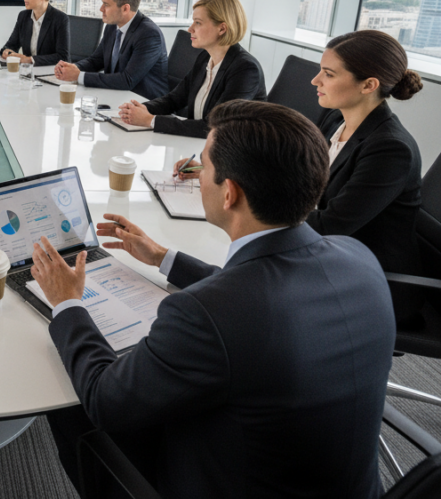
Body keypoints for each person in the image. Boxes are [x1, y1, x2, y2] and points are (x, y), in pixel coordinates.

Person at [34, 100, 393, 499]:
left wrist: (67, 303)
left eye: (203, 167)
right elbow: (257, 289)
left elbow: (105, 399)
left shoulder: (206, 314)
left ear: (230, 194)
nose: (198, 175)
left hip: (226, 481)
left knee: (69, 395)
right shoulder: (358, 258)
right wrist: (162, 258)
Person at [308, 29, 424, 322]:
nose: (315, 81)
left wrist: (252, 205)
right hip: (333, 254)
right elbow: (299, 176)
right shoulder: (337, 118)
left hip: (371, 278)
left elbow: (329, 226)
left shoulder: (390, 148)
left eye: (328, 74)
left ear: (368, 85)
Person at [117, 0, 266, 137]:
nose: (190, 29)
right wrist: (142, 109)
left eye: (198, 22)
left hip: (233, 155)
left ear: (222, 29)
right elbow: (175, 99)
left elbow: (215, 127)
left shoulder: (245, 69)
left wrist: (150, 120)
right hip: (199, 144)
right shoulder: (205, 58)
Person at [53, 0, 167, 98]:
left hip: (144, 103)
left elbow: (127, 80)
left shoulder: (149, 34)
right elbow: (96, 60)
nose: (101, 9)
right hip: (116, 96)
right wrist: (72, 68)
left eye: (106, 5)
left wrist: (78, 76)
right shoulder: (112, 27)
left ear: (125, 9)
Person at [0, 0, 69, 67]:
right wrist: (6, 51)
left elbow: (63, 57)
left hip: (50, 73)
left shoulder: (60, 18)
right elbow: (11, 45)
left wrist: (29, 60)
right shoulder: (23, 16)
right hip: (28, 72)